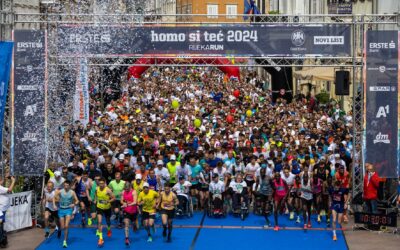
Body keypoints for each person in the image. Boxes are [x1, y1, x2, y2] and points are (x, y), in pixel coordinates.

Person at [53, 180, 79, 248]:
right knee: (62, 227)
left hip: (68, 210)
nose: (66, 187)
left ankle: (64, 241)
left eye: (67, 185)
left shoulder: (72, 192)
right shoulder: (60, 191)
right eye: (65, 185)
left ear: (69, 186)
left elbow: (77, 201)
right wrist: (54, 205)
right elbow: (54, 197)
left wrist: (74, 204)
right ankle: (59, 229)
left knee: (66, 226)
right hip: (61, 210)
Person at [95, 177, 115, 247]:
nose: (101, 185)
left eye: (102, 184)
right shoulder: (97, 188)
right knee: (100, 222)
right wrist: (95, 200)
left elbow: (113, 198)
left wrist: (108, 201)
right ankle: (100, 238)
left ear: (104, 183)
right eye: (100, 183)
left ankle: (109, 229)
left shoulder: (108, 190)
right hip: (99, 207)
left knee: (108, 221)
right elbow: (96, 195)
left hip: (107, 208)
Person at [120, 182, 138, 246]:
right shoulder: (123, 192)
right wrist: (123, 203)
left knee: (134, 224)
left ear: (130, 187)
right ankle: (127, 238)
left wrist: (127, 204)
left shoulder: (134, 192)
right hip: (126, 211)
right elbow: (121, 200)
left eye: (127, 189)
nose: (126, 190)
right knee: (126, 224)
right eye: (125, 189)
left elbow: (135, 202)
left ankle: (134, 225)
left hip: (133, 211)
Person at [0, 175, 15, 248]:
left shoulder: (1, 187)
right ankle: (2, 240)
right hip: (1, 210)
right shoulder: (0, 188)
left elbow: (7, 189)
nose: (3, 180)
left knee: (1, 225)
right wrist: (13, 181)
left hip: (2, 209)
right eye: (1, 179)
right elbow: (9, 189)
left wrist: (8, 179)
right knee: (0, 225)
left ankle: (3, 240)